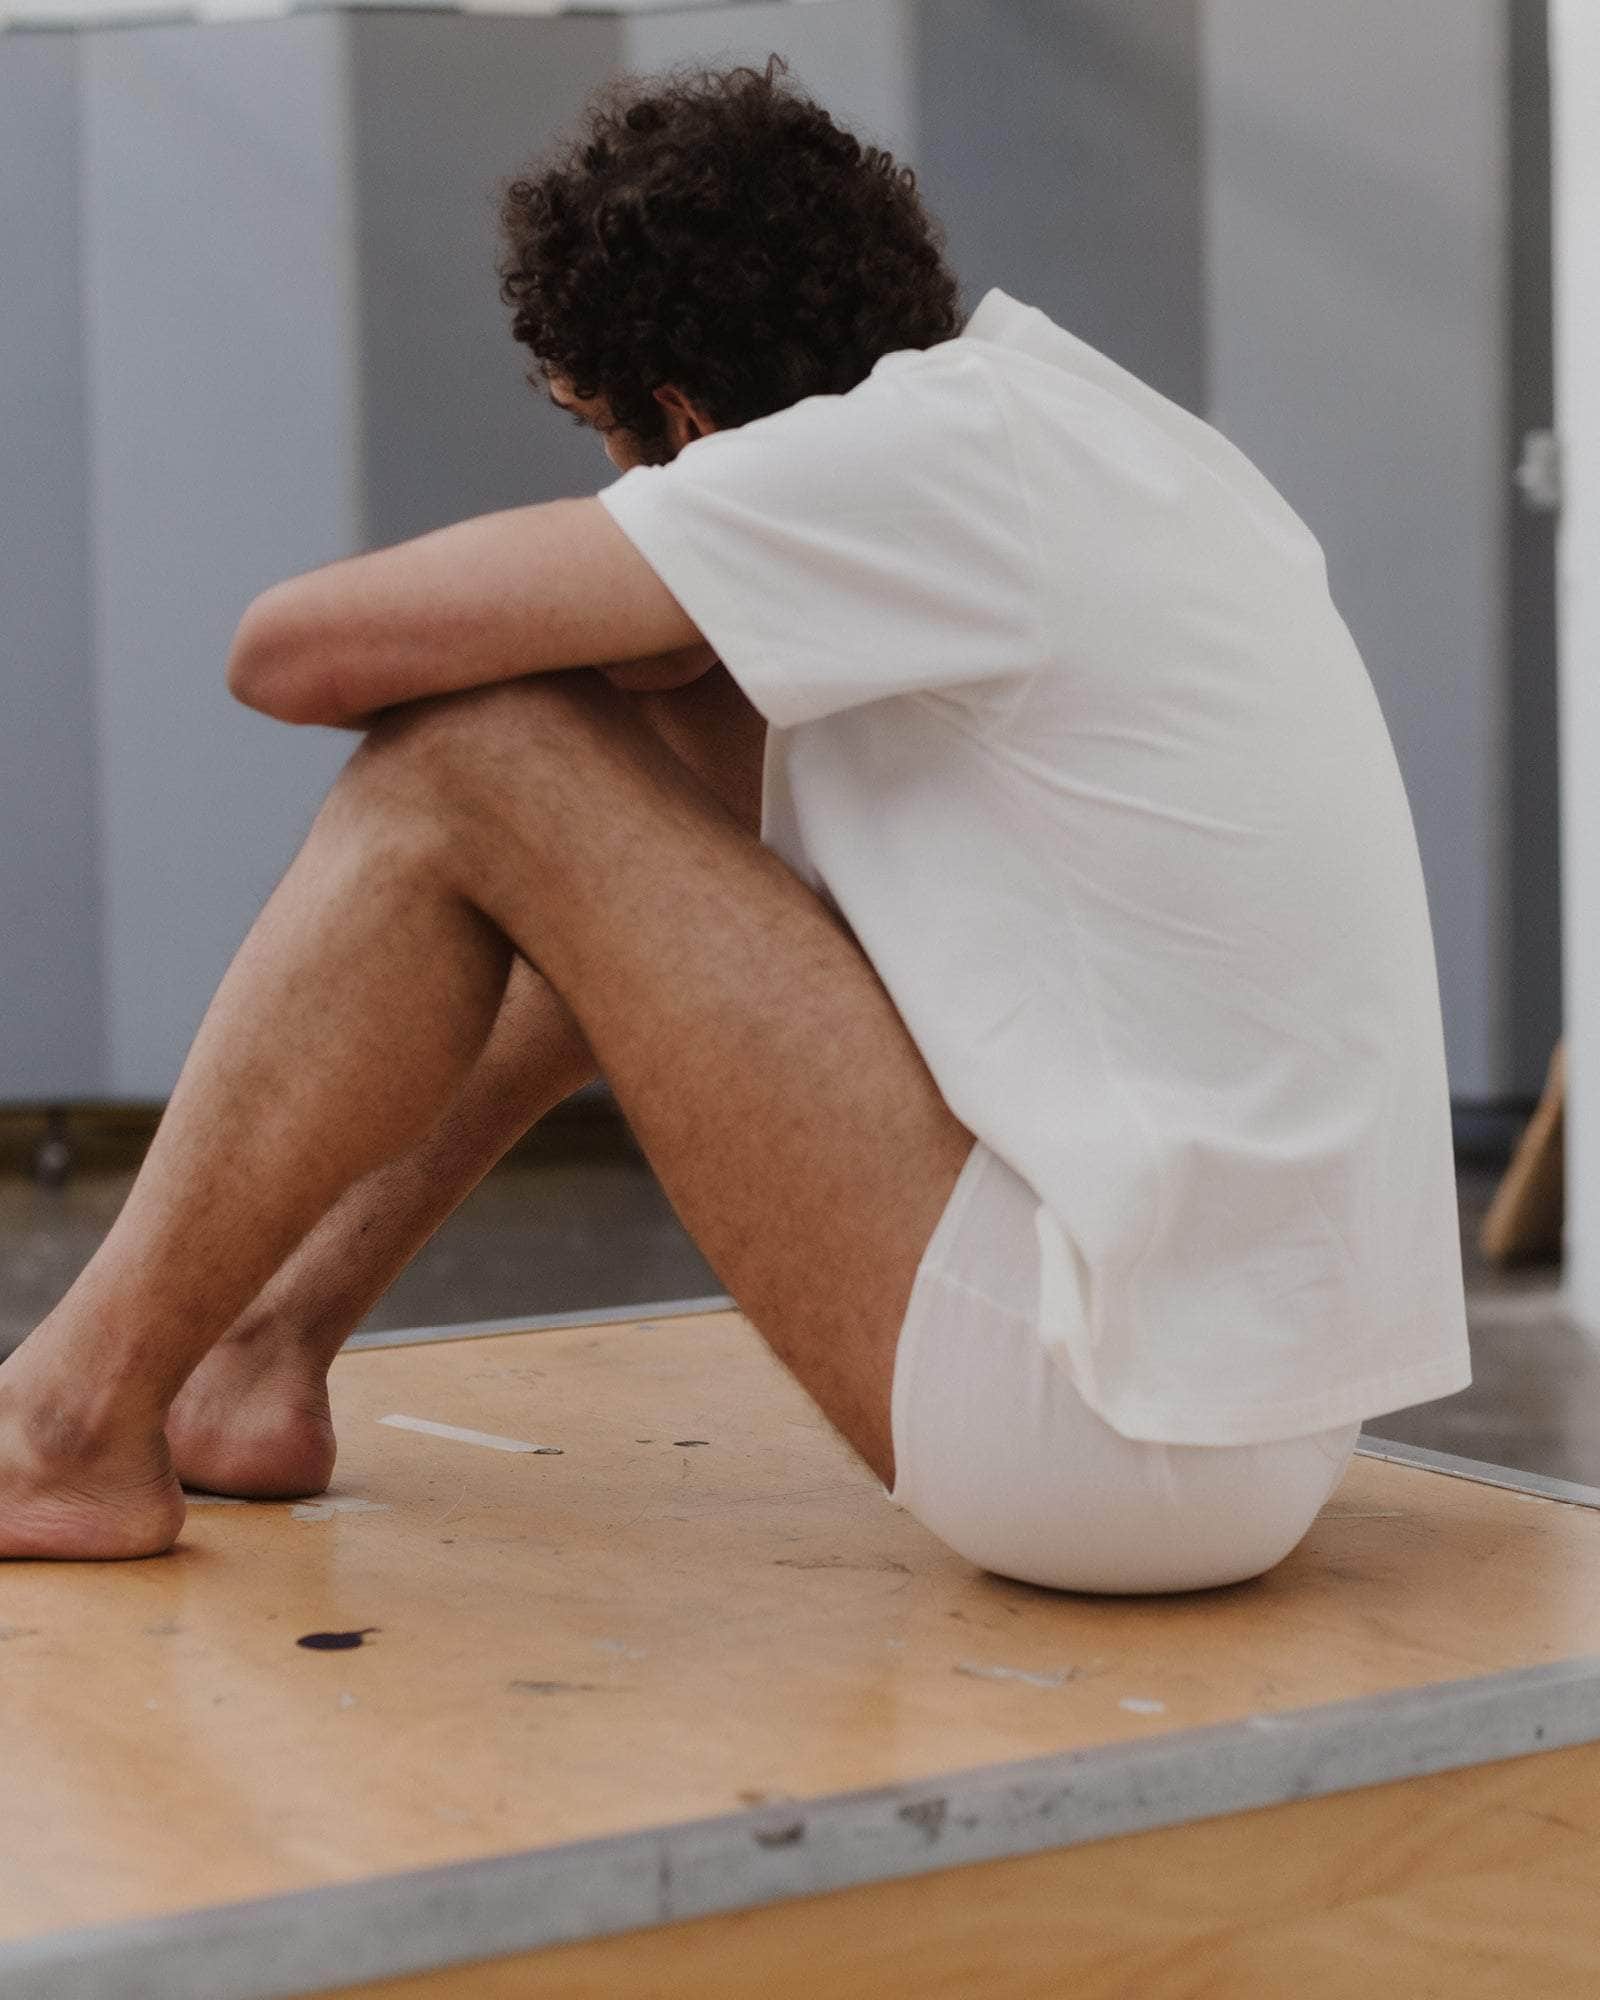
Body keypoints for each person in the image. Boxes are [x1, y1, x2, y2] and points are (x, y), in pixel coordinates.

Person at [0, 56, 1470, 1588]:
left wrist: (631, 605)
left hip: (1102, 1430)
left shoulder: (916, 459)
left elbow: (288, 653)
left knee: (469, 759)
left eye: (603, 430)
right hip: (1235, 1413)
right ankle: (252, 1355)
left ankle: (69, 1415)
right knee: (660, 784)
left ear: (688, 419)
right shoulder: (1072, 428)